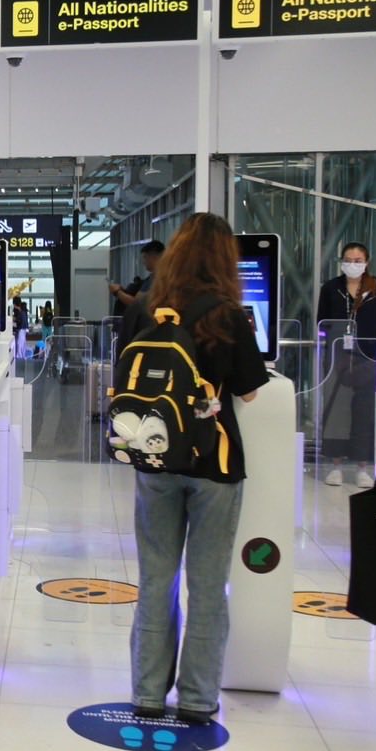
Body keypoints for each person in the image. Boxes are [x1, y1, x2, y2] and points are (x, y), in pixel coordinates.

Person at [121, 213, 269, 724]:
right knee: (207, 586)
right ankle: (198, 699)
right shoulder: (227, 316)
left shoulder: (144, 309)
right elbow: (250, 390)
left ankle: (146, 692)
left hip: (155, 457)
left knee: (155, 579)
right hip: (214, 462)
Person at [316, 242, 376, 488]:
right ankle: (335, 465)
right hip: (337, 359)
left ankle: (363, 467)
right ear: (341, 262)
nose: (353, 264)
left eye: (358, 260)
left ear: (367, 262)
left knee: (365, 413)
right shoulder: (331, 289)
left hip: (368, 359)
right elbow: (322, 322)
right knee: (337, 412)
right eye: (348, 260)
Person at [111, 239, 165, 315]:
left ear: (154, 256)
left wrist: (117, 292)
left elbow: (136, 304)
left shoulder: (157, 278)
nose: (143, 262)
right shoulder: (166, 276)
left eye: (145, 257)